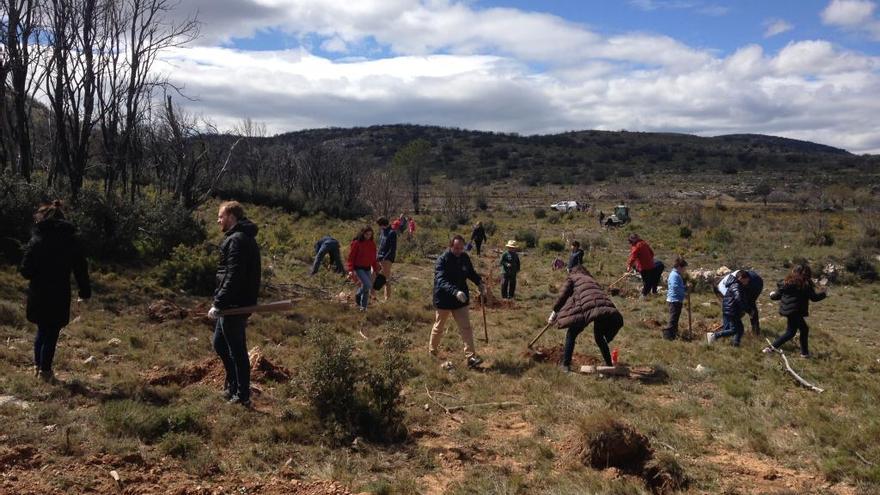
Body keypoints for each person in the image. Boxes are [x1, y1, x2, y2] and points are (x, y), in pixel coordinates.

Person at [19, 200, 91, 382]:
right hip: (60, 292)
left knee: (42, 330)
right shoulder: (71, 240)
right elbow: (81, 268)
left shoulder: (37, 239)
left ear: (43, 218)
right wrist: (84, 292)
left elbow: (25, 270)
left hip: (38, 292)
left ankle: (38, 368)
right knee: (52, 332)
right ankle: (45, 371)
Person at [208, 201, 261, 407]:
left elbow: (234, 275)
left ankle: (242, 395)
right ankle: (233, 385)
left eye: (220, 216)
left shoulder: (238, 240)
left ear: (231, 217)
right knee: (220, 344)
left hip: (235, 304)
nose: (218, 220)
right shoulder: (239, 237)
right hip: (233, 302)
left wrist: (219, 302)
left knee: (237, 350)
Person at [548, 265, 624, 372]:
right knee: (599, 337)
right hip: (603, 308)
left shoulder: (572, 277)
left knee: (571, 334)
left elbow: (562, 296)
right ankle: (609, 364)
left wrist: (554, 313)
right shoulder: (591, 279)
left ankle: (565, 365)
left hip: (586, 308)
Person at [429, 235, 486, 368]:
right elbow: (441, 280)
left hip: (460, 300)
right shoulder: (442, 260)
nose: (459, 251)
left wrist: (479, 282)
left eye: (461, 248)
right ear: (450, 246)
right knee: (439, 327)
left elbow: (470, 272)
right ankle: (432, 352)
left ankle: (471, 357)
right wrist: (455, 292)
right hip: (444, 298)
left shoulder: (464, 257)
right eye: (456, 248)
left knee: (466, 327)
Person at [764, 263, 826, 358]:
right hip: (796, 311)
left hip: (788, 311)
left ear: (794, 271)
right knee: (794, 332)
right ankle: (771, 348)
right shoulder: (805, 284)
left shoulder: (786, 282)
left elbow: (777, 296)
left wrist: (771, 294)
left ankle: (804, 353)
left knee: (798, 331)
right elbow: (814, 298)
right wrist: (824, 294)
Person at [707, 270, 752, 347]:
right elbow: (739, 299)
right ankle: (714, 335)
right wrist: (748, 310)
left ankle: (735, 345)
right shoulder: (736, 286)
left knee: (740, 329)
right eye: (747, 280)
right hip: (732, 311)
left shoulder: (737, 285)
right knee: (734, 330)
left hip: (732, 310)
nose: (747, 282)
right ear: (741, 278)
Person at [716, 269, 764, 335]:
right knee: (732, 311)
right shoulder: (727, 288)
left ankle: (755, 331)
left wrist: (747, 309)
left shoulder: (738, 281)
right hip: (748, 282)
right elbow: (736, 302)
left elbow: (740, 300)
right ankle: (727, 330)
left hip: (755, 284)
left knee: (751, 307)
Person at [347, 226, 381, 312]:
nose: (368, 236)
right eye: (367, 234)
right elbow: (351, 257)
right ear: (362, 234)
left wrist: (376, 269)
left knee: (366, 287)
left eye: (370, 234)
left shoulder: (372, 244)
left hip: (367, 268)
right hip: (358, 268)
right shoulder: (356, 243)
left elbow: (373, 258)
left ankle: (363, 307)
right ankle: (358, 295)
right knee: (368, 285)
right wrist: (350, 270)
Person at [663, 257, 688, 340]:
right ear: (679, 267)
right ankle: (668, 336)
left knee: (675, 319)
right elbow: (675, 287)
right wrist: (684, 293)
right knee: (673, 320)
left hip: (676, 300)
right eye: (684, 268)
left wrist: (684, 287)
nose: (684, 270)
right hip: (674, 300)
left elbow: (678, 286)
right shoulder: (675, 275)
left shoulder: (675, 275)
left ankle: (673, 335)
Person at [375, 217, 397, 301]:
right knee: (374, 274)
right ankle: (373, 294)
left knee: (386, 278)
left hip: (387, 259)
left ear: (382, 224)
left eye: (379, 225)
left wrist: (385, 258)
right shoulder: (382, 231)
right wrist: (377, 254)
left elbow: (392, 249)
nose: (379, 227)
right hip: (379, 257)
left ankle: (387, 298)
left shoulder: (392, 233)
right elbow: (381, 244)